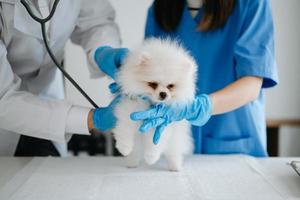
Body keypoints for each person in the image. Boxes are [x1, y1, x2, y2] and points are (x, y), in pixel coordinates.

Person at [130, 0, 278, 157]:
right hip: (174, 146)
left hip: (235, 142)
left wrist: (203, 107)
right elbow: (147, 79)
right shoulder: (159, 9)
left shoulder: (251, 4)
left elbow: (252, 84)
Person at [0, 0, 127, 156]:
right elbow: (2, 99)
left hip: (48, 98)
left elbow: (96, 21)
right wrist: (92, 119)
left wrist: (103, 51)